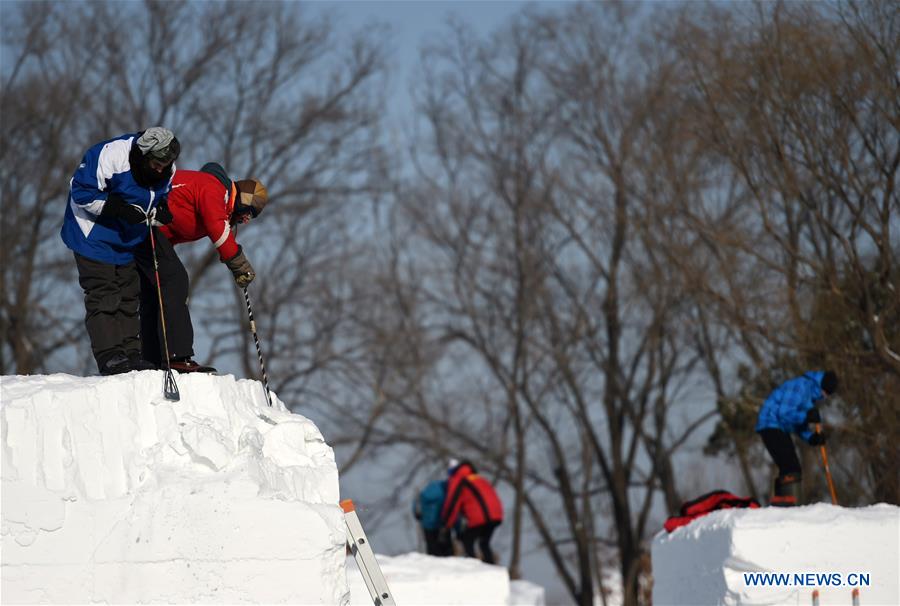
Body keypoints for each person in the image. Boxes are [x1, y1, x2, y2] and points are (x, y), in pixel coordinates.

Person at [60, 128, 179, 375]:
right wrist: (118, 208)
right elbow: (81, 192)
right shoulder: (111, 156)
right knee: (104, 293)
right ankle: (110, 355)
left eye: (165, 165)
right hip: (93, 234)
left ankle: (131, 353)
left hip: (127, 238)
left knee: (128, 293)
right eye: (156, 165)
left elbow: (160, 196)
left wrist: (162, 209)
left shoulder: (168, 170)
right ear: (143, 156)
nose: (160, 170)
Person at [133, 163, 267, 372]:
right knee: (175, 281)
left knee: (156, 288)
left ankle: (152, 358)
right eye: (249, 213)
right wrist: (240, 265)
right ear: (243, 200)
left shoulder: (219, 199)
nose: (246, 220)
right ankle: (176, 356)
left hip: (147, 231)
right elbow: (218, 230)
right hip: (143, 223)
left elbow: (176, 231)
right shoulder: (215, 189)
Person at [755, 370, 839, 506]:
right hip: (770, 423)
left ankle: (781, 505)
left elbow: (796, 425)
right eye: (827, 392)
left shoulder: (809, 398)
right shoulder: (800, 386)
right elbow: (784, 414)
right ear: (822, 387)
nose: (825, 396)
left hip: (780, 427)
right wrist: (806, 417)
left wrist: (811, 437)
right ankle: (789, 508)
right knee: (791, 468)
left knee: (790, 468)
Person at [440, 459, 503, 564]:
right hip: (496, 514)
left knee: (467, 541)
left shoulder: (459, 480)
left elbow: (452, 503)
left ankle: (473, 567)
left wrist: (446, 524)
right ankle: (490, 567)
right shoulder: (479, 478)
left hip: (480, 516)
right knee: (484, 543)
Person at [413, 478, 454, 556]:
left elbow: (416, 506)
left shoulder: (426, 491)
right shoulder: (446, 493)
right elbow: (451, 510)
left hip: (427, 525)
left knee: (432, 551)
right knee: (447, 552)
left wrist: (419, 516)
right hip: (442, 525)